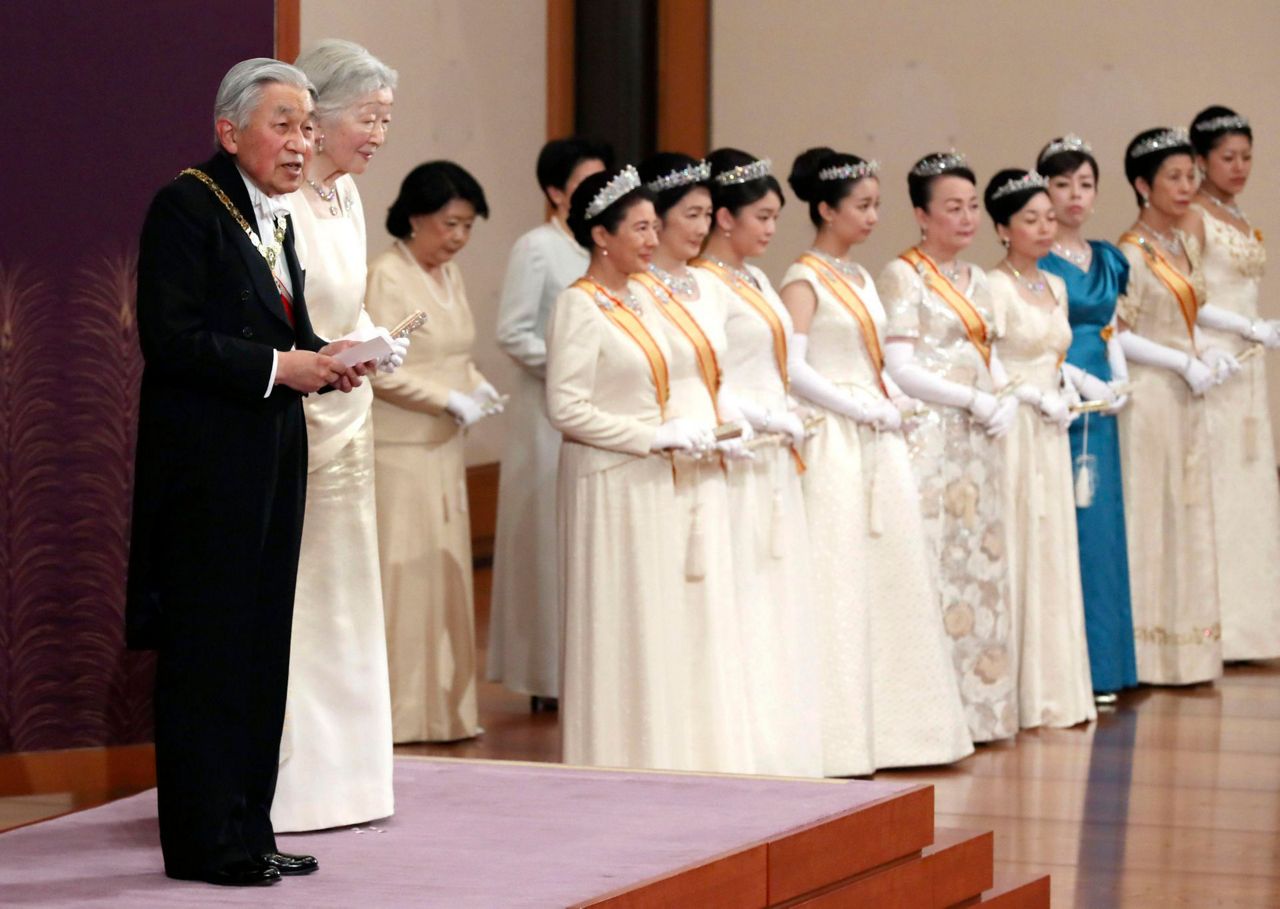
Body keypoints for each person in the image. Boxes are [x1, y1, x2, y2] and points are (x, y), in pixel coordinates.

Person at [127, 58, 373, 886]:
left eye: (308, 125)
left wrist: (325, 360)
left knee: (264, 646)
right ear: (230, 131)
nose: (303, 142)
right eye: (285, 124)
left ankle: (250, 826)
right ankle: (204, 841)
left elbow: (277, 330)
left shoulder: (276, 215)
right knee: (210, 652)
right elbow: (173, 339)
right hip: (206, 469)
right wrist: (282, 367)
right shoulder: (186, 205)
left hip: (273, 454)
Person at [780, 148, 972, 772]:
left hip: (875, 431)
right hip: (835, 436)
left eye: (875, 206)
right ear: (824, 209)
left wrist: (890, 399)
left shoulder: (860, 278)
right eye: (860, 207)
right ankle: (838, 734)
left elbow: (883, 360)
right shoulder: (803, 278)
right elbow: (794, 367)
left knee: (889, 572)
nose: (871, 217)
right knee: (840, 572)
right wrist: (855, 407)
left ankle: (898, 729)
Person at [547, 167, 726, 770]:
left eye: (656, 226)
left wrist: (701, 428)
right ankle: (609, 756)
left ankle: (660, 751)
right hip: (607, 479)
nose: (654, 240)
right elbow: (566, 408)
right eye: (642, 228)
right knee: (617, 616)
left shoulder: (644, 293)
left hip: (653, 475)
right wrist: (651, 436)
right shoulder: (578, 304)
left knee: (655, 615)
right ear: (603, 234)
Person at [272, 38, 402, 833]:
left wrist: (376, 339)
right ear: (315, 118)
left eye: (387, 119)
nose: (379, 134)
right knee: (299, 597)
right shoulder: (277, 201)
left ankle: (351, 781)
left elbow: (346, 303)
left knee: (349, 593)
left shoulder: (346, 197)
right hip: (296, 414)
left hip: (349, 410)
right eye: (369, 117)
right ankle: (293, 783)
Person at [878, 151, 1020, 743]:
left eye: (971, 208)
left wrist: (1006, 393)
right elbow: (900, 366)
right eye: (952, 208)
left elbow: (988, 351)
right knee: (935, 562)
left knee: (979, 569)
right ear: (920, 214)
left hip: (977, 444)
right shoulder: (902, 275)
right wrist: (968, 399)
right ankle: (927, 718)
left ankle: (979, 708)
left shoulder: (980, 279)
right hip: (932, 439)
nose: (966, 220)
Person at [693, 149, 822, 777]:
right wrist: (760, 414)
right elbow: (711, 374)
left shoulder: (758, 280)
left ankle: (784, 731)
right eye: (762, 217)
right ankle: (748, 733)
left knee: (779, 584)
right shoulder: (705, 284)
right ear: (724, 217)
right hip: (744, 446)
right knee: (746, 583)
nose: (771, 230)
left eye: (775, 218)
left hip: (775, 449)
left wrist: (788, 409)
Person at [365, 161, 501, 742]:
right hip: (400, 450)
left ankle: (446, 710)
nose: (458, 238)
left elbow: (452, 351)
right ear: (416, 217)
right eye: (449, 224)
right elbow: (381, 367)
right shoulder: (389, 277)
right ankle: (398, 716)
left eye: (468, 227)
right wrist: (447, 397)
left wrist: (475, 384)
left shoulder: (450, 277)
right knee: (405, 581)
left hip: (444, 447)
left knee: (446, 579)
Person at [634, 152, 756, 773]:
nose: (701, 227)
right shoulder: (638, 289)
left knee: (715, 589)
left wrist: (734, 421)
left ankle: (716, 739)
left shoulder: (708, 283)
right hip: (670, 446)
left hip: (712, 443)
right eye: (690, 214)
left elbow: (719, 370)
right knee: (676, 588)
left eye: (709, 214)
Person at [488, 138, 610, 710]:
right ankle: (546, 676)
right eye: (585, 184)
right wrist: (571, 367)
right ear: (556, 192)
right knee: (546, 540)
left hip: (601, 407)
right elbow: (514, 332)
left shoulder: (607, 245)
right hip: (546, 412)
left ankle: (595, 666)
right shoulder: (538, 247)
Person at [1115, 127, 1233, 685]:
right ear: (1143, 185)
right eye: (1174, 177)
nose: (1187, 186)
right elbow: (1118, 332)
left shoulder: (1181, 246)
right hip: (1150, 395)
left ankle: (1187, 652)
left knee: (1186, 513)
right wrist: (1179, 361)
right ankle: (1143, 653)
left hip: (1186, 397)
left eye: (1191, 175)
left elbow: (1192, 318)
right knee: (1150, 513)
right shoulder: (1128, 254)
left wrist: (1206, 351)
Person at [982, 168, 1095, 729]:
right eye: (1031, 219)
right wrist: (1028, 392)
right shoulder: (992, 286)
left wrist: (1069, 383)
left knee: (1052, 541)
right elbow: (988, 358)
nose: (1045, 227)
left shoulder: (1054, 286)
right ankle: (1016, 690)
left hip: (1051, 423)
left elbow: (1055, 350)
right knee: (1022, 534)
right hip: (1017, 425)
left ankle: (1055, 687)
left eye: (1050, 217)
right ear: (1003, 227)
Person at [1036, 134, 1139, 703]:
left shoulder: (1108, 257)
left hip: (1104, 403)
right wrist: (1084, 380)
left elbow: (1112, 325)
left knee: (1104, 530)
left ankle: (1110, 665)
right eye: (1062, 184)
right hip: (1064, 394)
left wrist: (1120, 379)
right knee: (1070, 528)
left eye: (1085, 184)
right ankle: (1074, 672)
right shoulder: (1039, 262)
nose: (1075, 196)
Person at [1181, 106, 1280, 662]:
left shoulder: (1236, 213)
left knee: (1251, 486)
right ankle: (1218, 626)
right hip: (1218, 357)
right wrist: (1246, 327)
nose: (1240, 167)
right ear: (1200, 161)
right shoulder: (1195, 216)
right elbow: (1188, 296)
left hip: (1249, 362)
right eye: (1227, 157)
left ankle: (1255, 626)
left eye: (1246, 157)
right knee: (1219, 484)